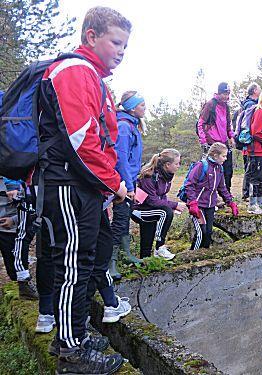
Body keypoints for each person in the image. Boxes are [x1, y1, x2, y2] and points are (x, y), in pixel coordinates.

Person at [36, 7, 131, 373]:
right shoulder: (75, 70)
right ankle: (70, 353)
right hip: (68, 183)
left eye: (125, 45)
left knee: (84, 261)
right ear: (91, 37)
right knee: (72, 264)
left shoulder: (92, 75)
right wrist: (115, 184)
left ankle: (75, 333)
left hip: (83, 185)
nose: (122, 51)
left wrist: (106, 188)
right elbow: (82, 140)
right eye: (116, 42)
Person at [110, 91, 146, 280]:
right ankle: (111, 262)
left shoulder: (132, 125)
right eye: (142, 105)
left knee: (125, 220)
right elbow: (121, 157)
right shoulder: (124, 126)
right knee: (119, 221)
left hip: (130, 180)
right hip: (123, 182)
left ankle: (125, 255)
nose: (145, 108)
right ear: (132, 107)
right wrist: (128, 186)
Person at [132, 149, 186, 259]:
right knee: (166, 212)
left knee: (146, 244)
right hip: (139, 211)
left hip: (150, 210)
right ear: (167, 165)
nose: (178, 166)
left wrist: (169, 204)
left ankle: (145, 262)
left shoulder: (166, 175)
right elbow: (152, 201)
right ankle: (160, 247)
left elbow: (162, 195)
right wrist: (174, 205)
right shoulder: (149, 176)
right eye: (176, 163)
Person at [185, 143, 238, 249]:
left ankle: (204, 256)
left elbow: (222, 188)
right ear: (215, 155)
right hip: (198, 205)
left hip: (211, 205)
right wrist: (192, 203)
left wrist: (230, 202)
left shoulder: (220, 169)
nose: (226, 158)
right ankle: (192, 256)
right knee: (201, 232)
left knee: (208, 233)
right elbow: (189, 184)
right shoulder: (201, 166)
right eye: (223, 156)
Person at [0, 178, 38, 299]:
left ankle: (24, 287)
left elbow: (32, 206)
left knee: (13, 270)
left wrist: (14, 220)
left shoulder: (19, 177)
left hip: (10, 228)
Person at [197, 82, 235, 193]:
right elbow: (201, 123)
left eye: (228, 94)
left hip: (224, 142)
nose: (226, 97)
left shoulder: (226, 107)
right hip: (212, 143)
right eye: (224, 94)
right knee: (211, 171)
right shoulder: (210, 105)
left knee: (228, 170)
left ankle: (226, 194)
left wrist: (231, 136)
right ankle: (210, 195)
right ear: (218, 93)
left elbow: (228, 124)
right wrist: (203, 141)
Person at [241, 82, 261, 201]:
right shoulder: (250, 104)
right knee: (250, 168)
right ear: (254, 91)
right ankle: (246, 194)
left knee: (252, 167)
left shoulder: (253, 104)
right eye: (259, 89)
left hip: (251, 142)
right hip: (249, 142)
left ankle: (251, 193)